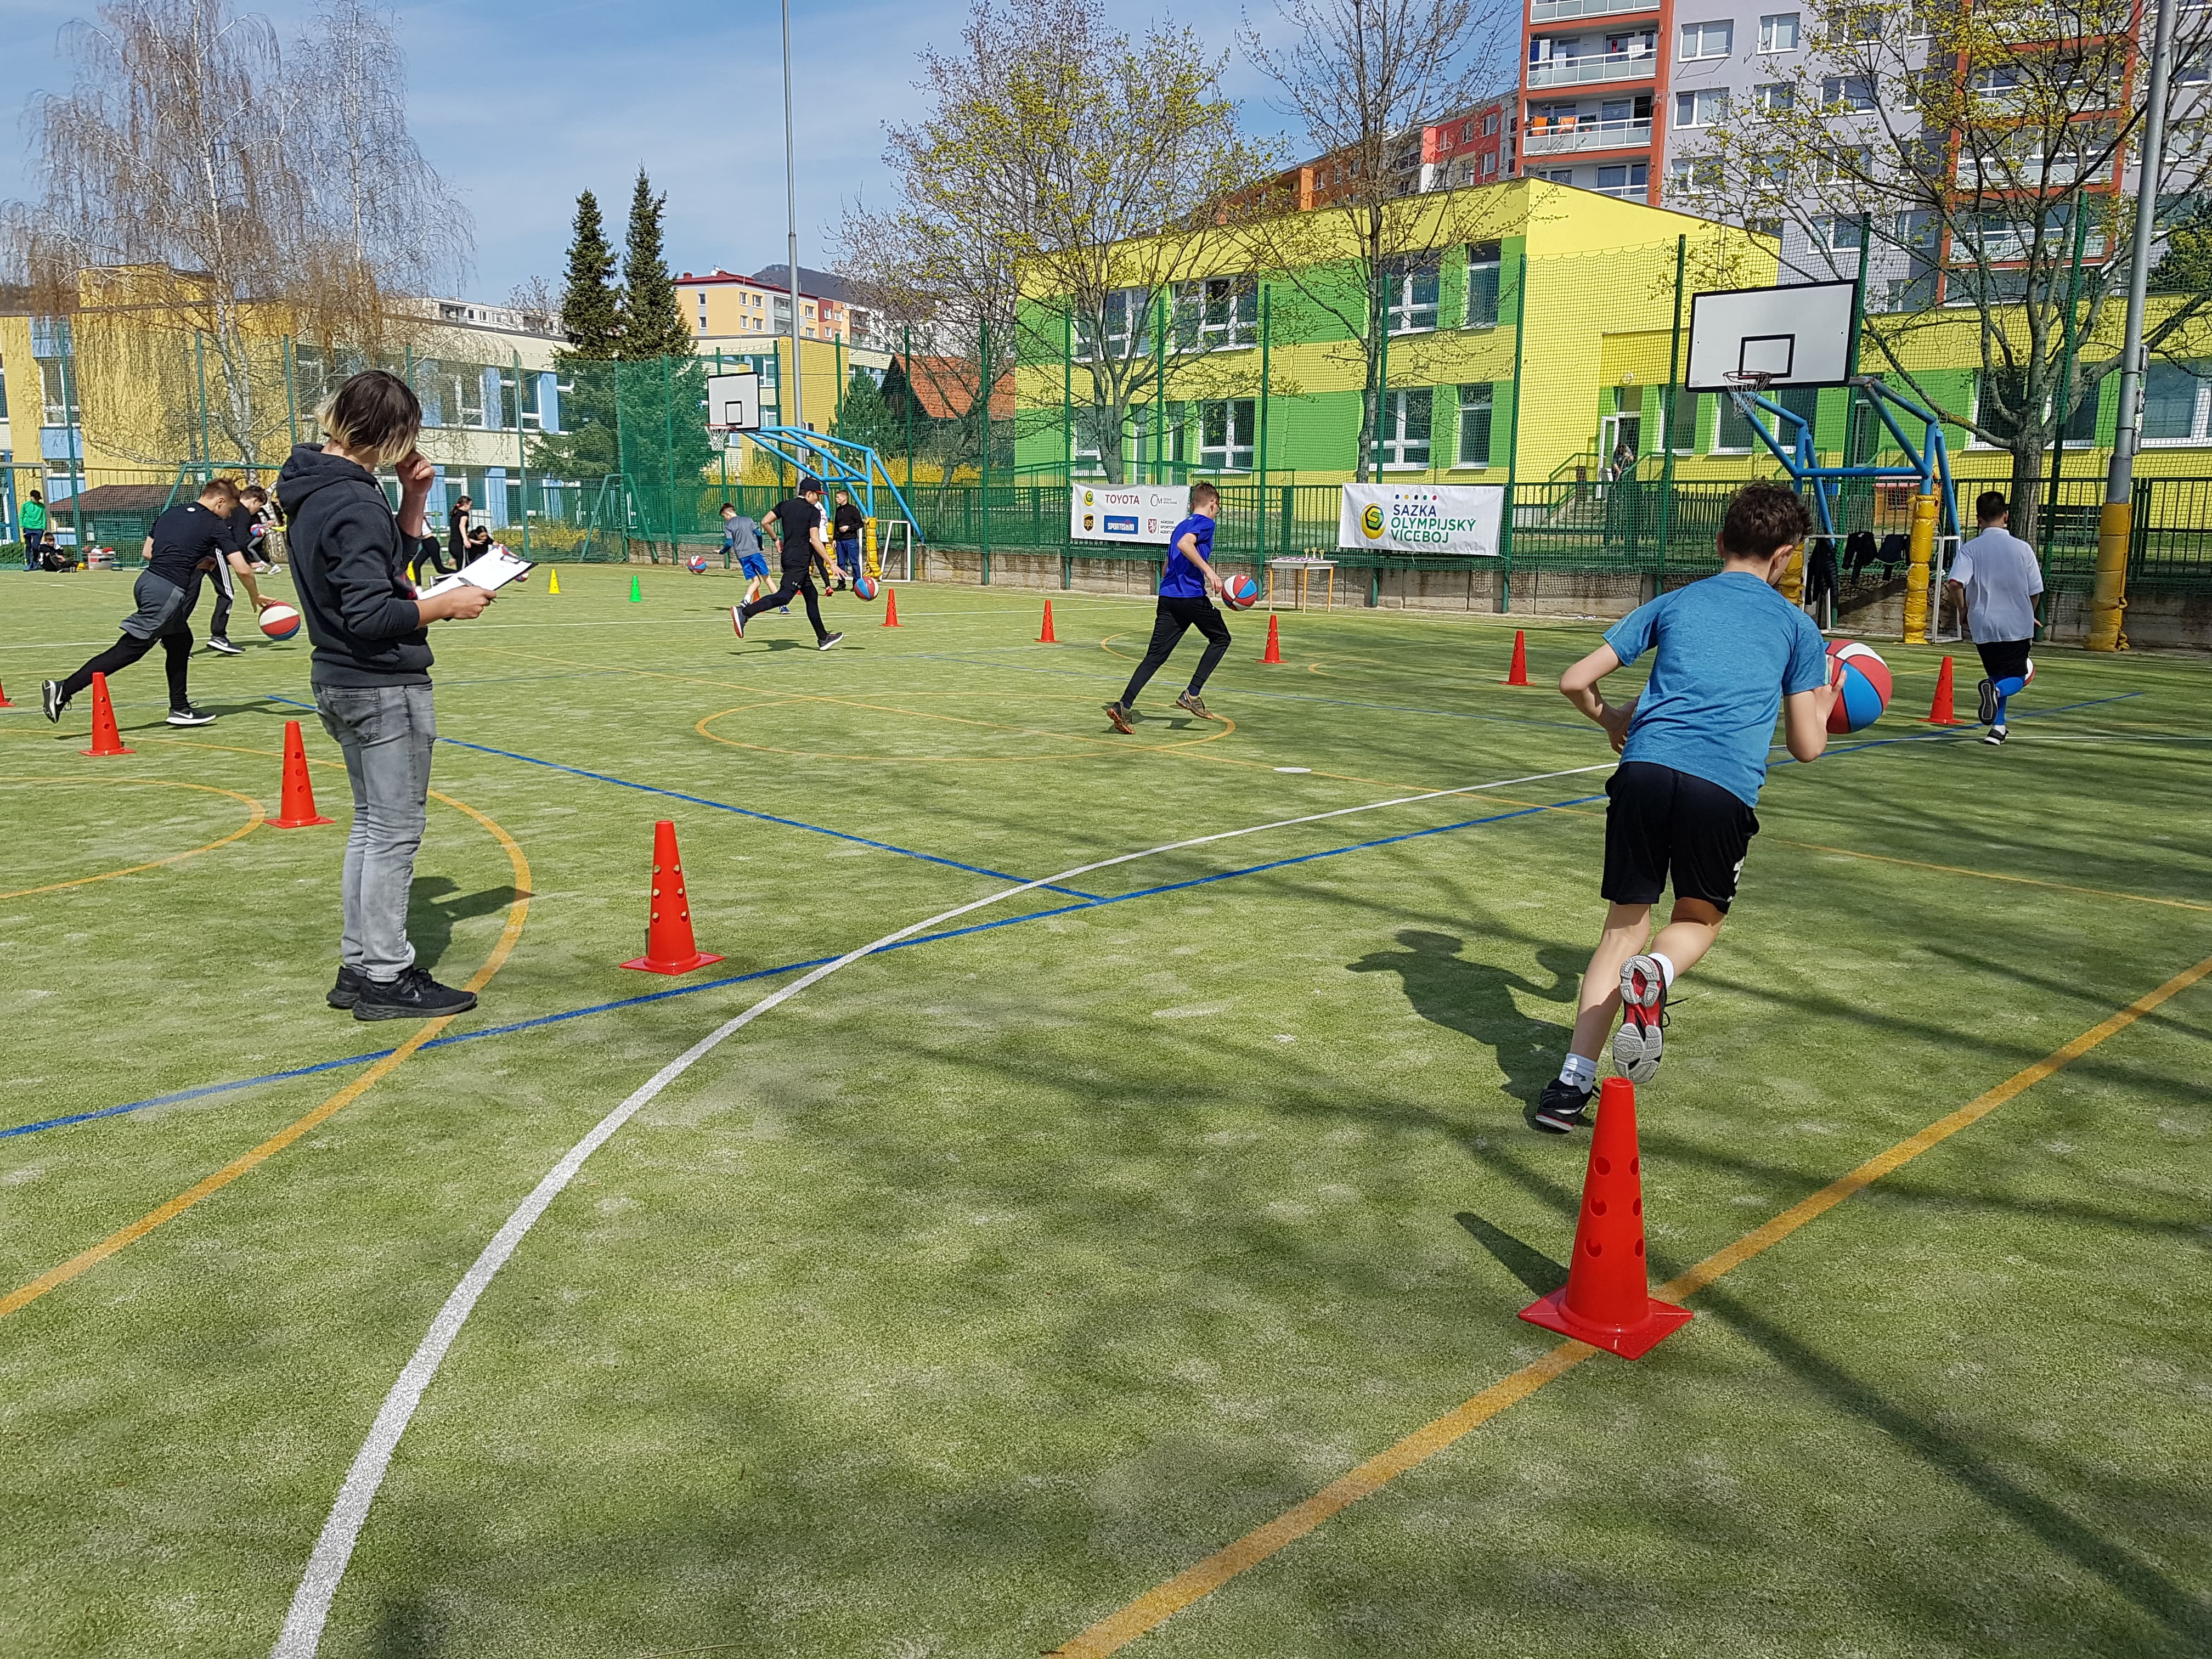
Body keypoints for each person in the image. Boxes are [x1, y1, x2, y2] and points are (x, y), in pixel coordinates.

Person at [1536, 482, 1837, 1134]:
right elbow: (1807, 747)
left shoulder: (1673, 601)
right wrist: (1826, 698)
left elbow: (1574, 680)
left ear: (1721, 541)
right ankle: (1659, 972)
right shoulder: (1797, 627)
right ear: (1786, 556)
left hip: (1643, 770)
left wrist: (1612, 719)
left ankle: (1568, 1087)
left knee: (1622, 929)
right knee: (1697, 919)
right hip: (1721, 787)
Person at [279, 369, 497, 1022]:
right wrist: (447, 604)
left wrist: (413, 501)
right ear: (393, 434)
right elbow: (372, 612)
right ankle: (385, 975)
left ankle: (361, 963)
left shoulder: (317, 485)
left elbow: (374, 568)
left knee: (372, 827)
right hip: (379, 686)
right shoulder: (352, 501)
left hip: (339, 679)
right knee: (394, 834)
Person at [41, 478, 238, 728]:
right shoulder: (212, 522)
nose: (228, 515)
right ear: (221, 501)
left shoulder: (172, 513)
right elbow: (242, 568)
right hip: (166, 591)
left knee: (181, 641)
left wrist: (192, 562)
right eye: (230, 509)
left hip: (147, 581)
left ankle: (180, 708)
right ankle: (63, 689)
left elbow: (148, 553)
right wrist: (257, 597)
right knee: (130, 650)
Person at [1103, 481, 1232, 731]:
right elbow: (1185, 545)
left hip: (1168, 597)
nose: (1217, 511)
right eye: (1218, 507)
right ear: (1213, 503)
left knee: (1155, 657)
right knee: (1221, 639)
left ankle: (1124, 706)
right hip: (1190, 596)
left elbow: (1166, 566)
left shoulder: (1180, 526)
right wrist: (1209, 572)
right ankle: (1192, 693)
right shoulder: (1207, 524)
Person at [1945, 490, 2044, 748]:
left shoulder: (1970, 549)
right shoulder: (2022, 549)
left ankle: (1998, 728)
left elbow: (1955, 583)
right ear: (2006, 516)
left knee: (1998, 673)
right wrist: (2029, 613)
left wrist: (1963, 609)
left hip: (1984, 623)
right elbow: (2035, 591)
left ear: (1979, 520)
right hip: (2016, 624)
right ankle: (1996, 691)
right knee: (2017, 677)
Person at [730, 477, 842, 650]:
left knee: (812, 595)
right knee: (784, 597)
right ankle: (744, 612)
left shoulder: (785, 505)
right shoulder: (813, 512)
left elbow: (765, 522)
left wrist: (776, 539)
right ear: (809, 494)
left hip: (789, 557)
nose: (818, 499)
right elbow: (815, 540)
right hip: (800, 559)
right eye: (817, 495)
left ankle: (823, 638)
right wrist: (831, 563)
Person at [203, 478, 278, 655]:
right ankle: (218, 636)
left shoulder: (230, 509)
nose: (257, 510)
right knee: (227, 593)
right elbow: (239, 541)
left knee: (188, 594)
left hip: (199, 550)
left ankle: (172, 637)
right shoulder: (243, 513)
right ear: (254, 501)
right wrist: (248, 560)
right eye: (259, 507)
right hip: (214, 553)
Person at [721, 502, 772, 603]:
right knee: (767, 578)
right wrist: (760, 545)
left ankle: (746, 600)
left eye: (724, 516)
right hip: (755, 553)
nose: (725, 519)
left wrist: (722, 551)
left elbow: (729, 543)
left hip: (742, 556)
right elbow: (759, 534)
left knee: (756, 581)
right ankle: (782, 606)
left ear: (727, 514)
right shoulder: (748, 520)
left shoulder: (728, 525)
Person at [830, 489, 865, 589]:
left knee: (854, 562)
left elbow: (860, 524)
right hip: (840, 541)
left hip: (850, 540)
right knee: (841, 562)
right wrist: (835, 539)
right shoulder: (838, 510)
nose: (836, 499)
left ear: (844, 498)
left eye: (838, 497)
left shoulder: (853, 510)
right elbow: (836, 526)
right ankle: (841, 583)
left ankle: (857, 584)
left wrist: (849, 528)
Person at [20, 490, 48, 570]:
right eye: (36, 499)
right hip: (27, 528)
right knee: (28, 546)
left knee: (35, 547)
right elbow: (21, 516)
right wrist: (22, 525)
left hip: (39, 529)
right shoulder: (26, 505)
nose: (37, 500)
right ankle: (29, 564)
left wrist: (43, 527)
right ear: (31, 497)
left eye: (38, 499)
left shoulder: (42, 506)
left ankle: (35, 563)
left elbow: (44, 517)